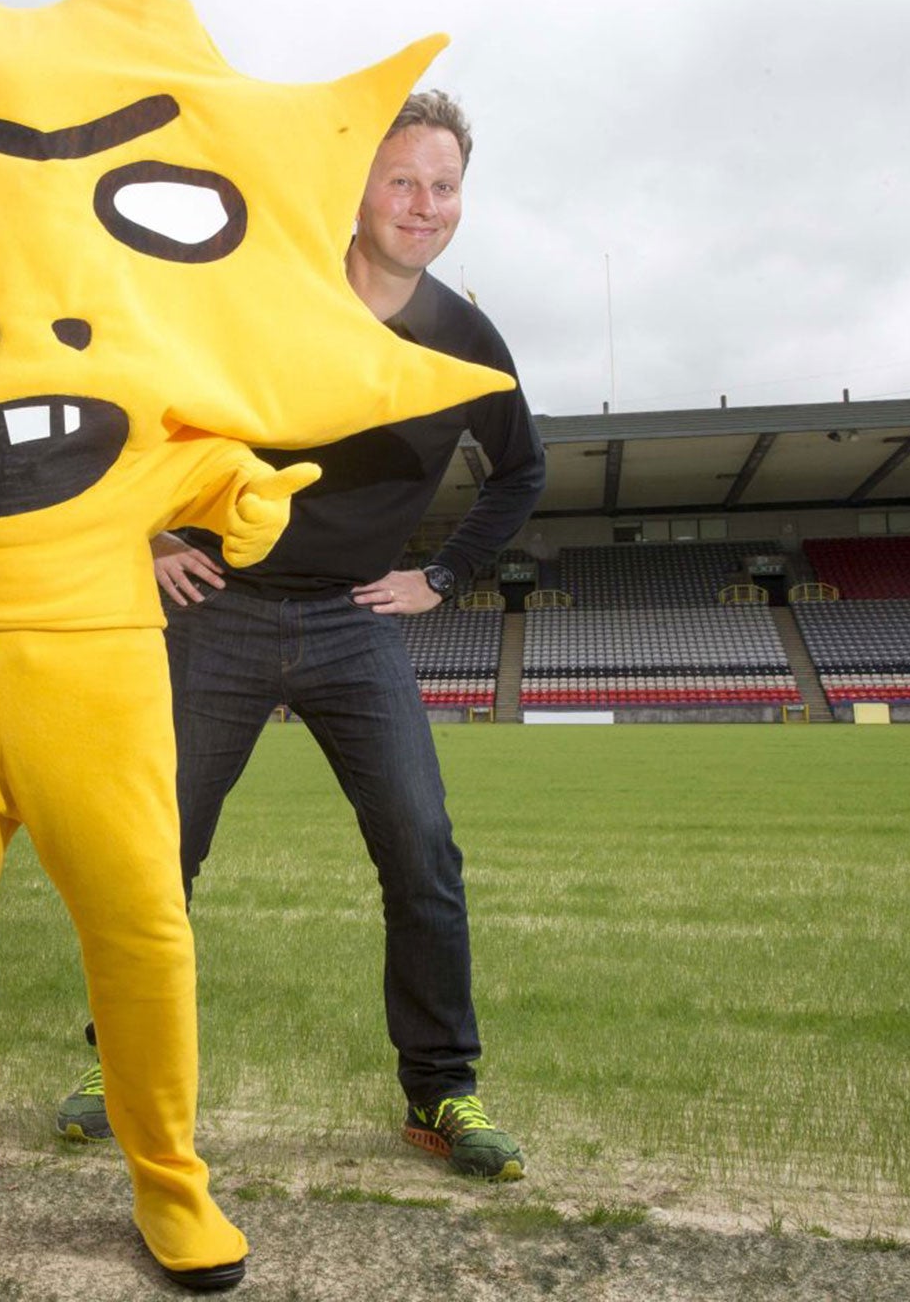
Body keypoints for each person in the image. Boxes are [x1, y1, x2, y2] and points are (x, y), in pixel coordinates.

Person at [57, 90, 545, 1181]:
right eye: (401, 181)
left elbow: (520, 470)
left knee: (421, 853)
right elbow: (124, 410)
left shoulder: (465, 341)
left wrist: (442, 574)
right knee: (157, 853)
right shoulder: (259, 299)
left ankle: (440, 1095)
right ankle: (121, 1068)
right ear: (357, 191)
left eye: (442, 186)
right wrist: (142, 535)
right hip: (216, 612)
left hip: (351, 624)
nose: (422, 205)